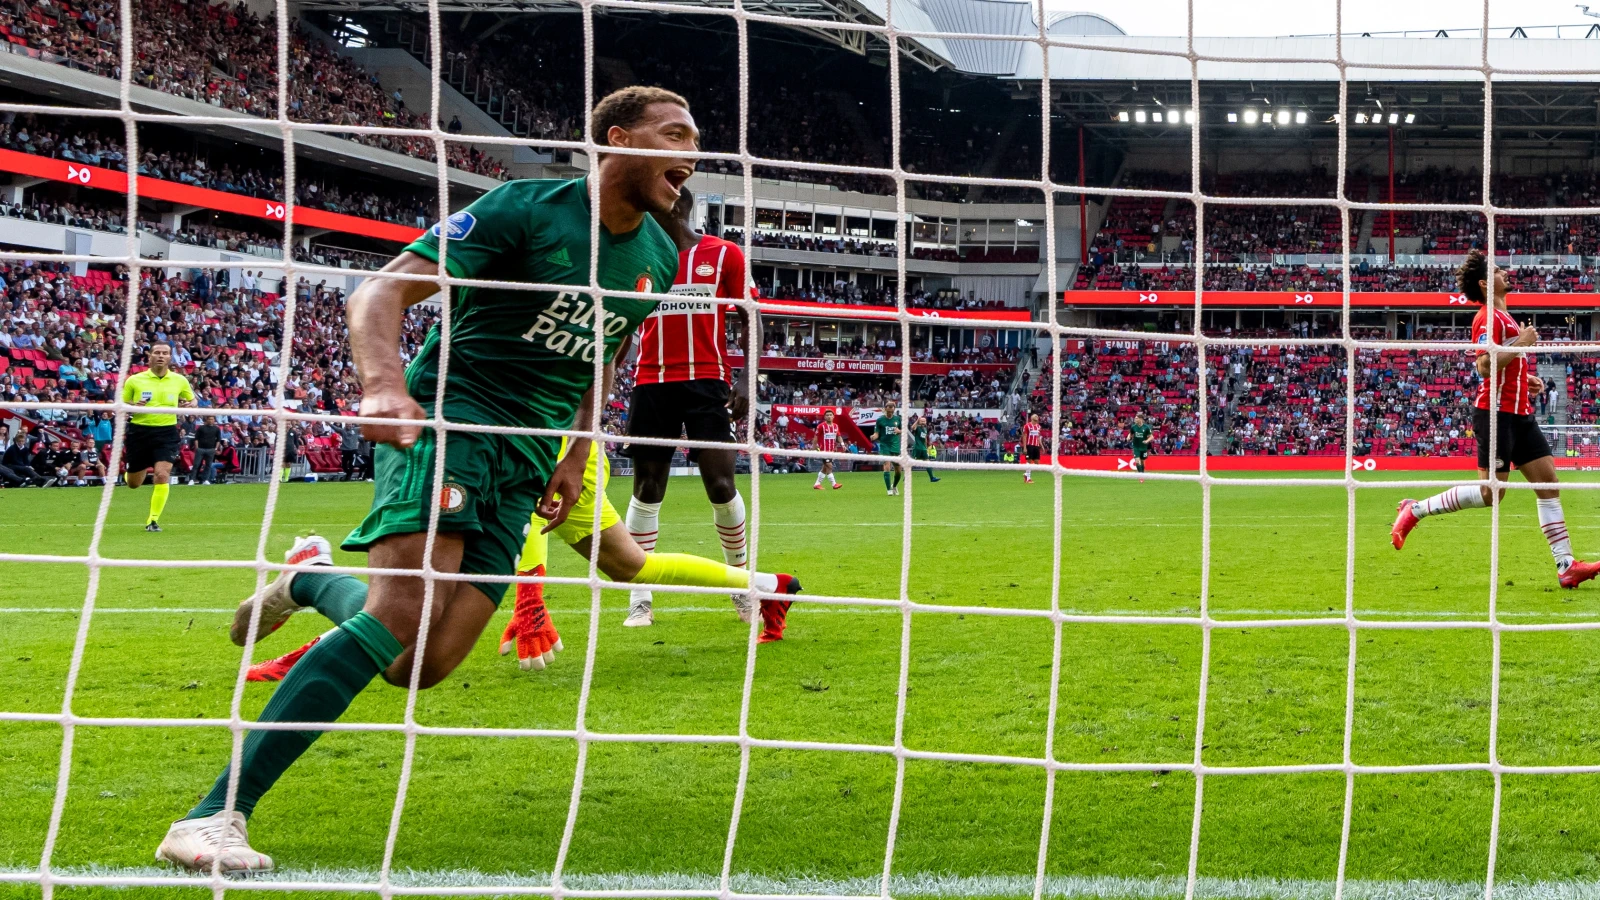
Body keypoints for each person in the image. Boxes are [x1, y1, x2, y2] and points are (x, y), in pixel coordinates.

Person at [154, 85, 799, 875]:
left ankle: (311, 579)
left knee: (421, 663)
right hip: (454, 419)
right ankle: (213, 815)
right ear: (619, 140)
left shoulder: (659, 258)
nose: (691, 152)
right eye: (675, 134)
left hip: (529, 459)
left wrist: (573, 455)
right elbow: (379, 291)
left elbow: (604, 355)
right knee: (399, 613)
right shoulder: (523, 210)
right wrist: (383, 386)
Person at [1391, 250, 1600, 590]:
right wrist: (1522, 343)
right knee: (1493, 494)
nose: (1506, 273)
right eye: (1499, 270)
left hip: (1520, 413)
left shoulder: (1505, 317)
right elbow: (1485, 366)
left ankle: (1566, 566)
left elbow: (1502, 366)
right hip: (1496, 414)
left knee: (1548, 484)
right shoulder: (1487, 317)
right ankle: (1415, 510)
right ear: (1487, 283)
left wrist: (1525, 379)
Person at [621, 187, 759, 628]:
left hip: (707, 382)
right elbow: (622, 320)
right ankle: (640, 598)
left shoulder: (724, 255)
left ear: (680, 207)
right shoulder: (635, 255)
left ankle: (740, 585)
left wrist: (743, 378)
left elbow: (750, 315)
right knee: (647, 488)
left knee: (720, 485)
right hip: (651, 381)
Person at [121, 342, 195, 531]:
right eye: (157, 352)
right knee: (133, 484)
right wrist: (132, 406)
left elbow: (192, 398)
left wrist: (191, 404)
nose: (161, 356)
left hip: (166, 432)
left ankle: (152, 520)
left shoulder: (179, 380)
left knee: (162, 475)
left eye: (165, 353)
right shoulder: (134, 380)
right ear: (150, 356)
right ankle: (132, 471)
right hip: (139, 431)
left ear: (170, 357)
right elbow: (121, 404)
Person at [874, 401, 903, 495]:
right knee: (887, 465)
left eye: (892, 406)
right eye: (889, 406)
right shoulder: (880, 420)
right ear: (885, 408)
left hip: (895, 446)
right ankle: (888, 490)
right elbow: (877, 432)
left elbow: (903, 430)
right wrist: (874, 436)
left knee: (898, 470)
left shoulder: (898, 419)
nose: (890, 408)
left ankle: (894, 486)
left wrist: (899, 431)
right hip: (884, 445)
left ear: (894, 409)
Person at [812, 408, 843, 490]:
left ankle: (817, 484)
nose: (829, 416)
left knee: (825, 468)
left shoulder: (836, 426)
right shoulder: (821, 426)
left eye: (830, 415)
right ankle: (834, 484)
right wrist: (814, 446)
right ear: (824, 417)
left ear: (833, 416)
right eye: (827, 415)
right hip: (823, 450)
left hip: (832, 450)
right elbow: (816, 437)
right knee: (829, 466)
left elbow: (838, 436)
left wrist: (842, 444)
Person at [190, 416, 222, 485]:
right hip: (200, 449)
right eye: (209, 419)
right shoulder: (201, 428)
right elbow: (196, 438)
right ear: (207, 420)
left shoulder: (216, 429)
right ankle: (192, 479)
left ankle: (205, 479)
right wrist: (197, 448)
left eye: (212, 419)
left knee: (208, 465)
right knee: (196, 464)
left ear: (214, 420)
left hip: (210, 449)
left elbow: (218, 440)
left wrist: (216, 448)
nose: (211, 420)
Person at [910, 414, 940, 483]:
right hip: (917, 448)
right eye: (921, 421)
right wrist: (917, 420)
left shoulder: (925, 429)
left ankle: (932, 478)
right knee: (912, 463)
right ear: (919, 422)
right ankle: (906, 477)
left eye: (924, 421)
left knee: (927, 462)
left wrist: (926, 447)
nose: (923, 422)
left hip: (923, 448)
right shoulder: (917, 427)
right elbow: (912, 427)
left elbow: (925, 438)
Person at [1021, 413, 1042, 484]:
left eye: (1037, 416)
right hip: (1029, 446)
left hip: (1036, 446)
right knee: (1029, 461)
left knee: (1037, 463)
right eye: (1035, 416)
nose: (1037, 416)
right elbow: (1024, 436)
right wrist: (1024, 447)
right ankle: (1028, 478)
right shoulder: (1027, 426)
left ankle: (1026, 474)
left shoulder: (1039, 426)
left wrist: (1041, 445)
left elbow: (1038, 437)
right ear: (1032, 418)